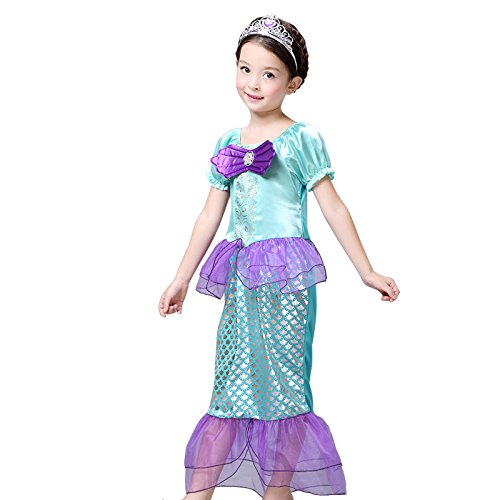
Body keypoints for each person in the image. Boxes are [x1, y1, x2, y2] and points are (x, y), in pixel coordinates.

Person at [158, 14, 400, 500]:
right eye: (245, 69)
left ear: (293, 83)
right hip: (242, 283)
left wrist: (367, 271)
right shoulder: (228, 143)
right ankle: (197, 494)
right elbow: (209, 216)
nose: (253, 83)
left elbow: (332, 205)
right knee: (229, 386)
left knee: (284, 388)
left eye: (268, 74)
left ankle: (277, 489)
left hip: (288, 284)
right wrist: (181, 277)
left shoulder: (301, 138)